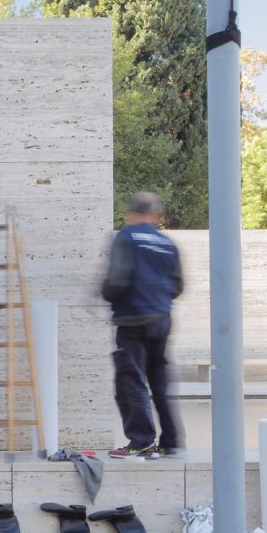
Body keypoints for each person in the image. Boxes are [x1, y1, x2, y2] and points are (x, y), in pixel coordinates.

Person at [101, 191, 185, 459]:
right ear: (155, 215)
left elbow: (116, 279)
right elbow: (177, 286)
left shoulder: (126, 237)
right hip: (162, 319)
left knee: (131, 380)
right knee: (160, 382)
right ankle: (171, 440)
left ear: (131, 213)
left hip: (132, 319)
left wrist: (108, 296)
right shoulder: (168, 244)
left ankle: (141, 441)